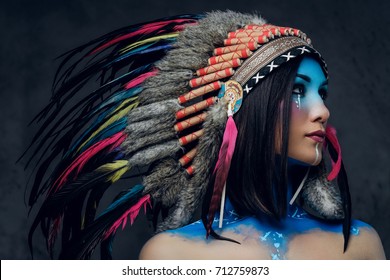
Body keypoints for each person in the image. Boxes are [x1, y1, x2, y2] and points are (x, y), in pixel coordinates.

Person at [25, 10, 385, 259]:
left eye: (321, 93)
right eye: (297, 92)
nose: (322, 110)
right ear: (238, 110)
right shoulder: (170, 255)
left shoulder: (360, 245)